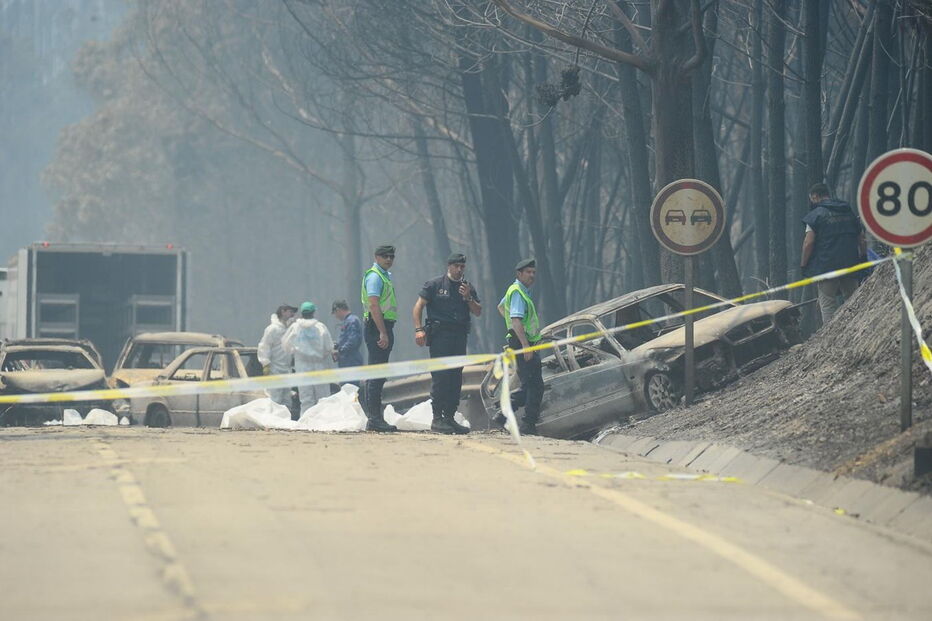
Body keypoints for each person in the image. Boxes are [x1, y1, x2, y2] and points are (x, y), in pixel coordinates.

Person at [413, 253, 482, 435]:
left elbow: (478, 311)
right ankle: (437, 418)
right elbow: (418, 306)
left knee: (455, 377)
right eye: (456, 266)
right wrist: (418, 329)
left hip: (459, 337)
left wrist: (468, 297)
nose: (459, 270)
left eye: (462, 267)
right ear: (449, 266)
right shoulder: (435, 285)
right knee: (441, 376)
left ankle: (450, 417)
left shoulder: (467, 287)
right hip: (439, 336)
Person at [800, 183, 866, 324]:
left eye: (811, 199)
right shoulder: (848, 211)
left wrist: (804, 264)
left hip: (826, 266)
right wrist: (863, 256)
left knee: (828, 303)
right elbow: (861, 238)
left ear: (815, 197)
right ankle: (855, 328)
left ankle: (830, 340)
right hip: (850, 263)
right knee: (853, 300)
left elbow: (808, 243)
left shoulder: (815, 216)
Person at [497, 259, 544, 435]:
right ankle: (528, 424)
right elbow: (516, 319)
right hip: (523, 343)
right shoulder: (517, 292)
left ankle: (502, 415)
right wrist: (524, 344)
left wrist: (511, 326)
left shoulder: (517, 290)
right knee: (535, 386)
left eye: (533, 272)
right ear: (519, 274)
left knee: (529, 384)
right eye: (528, 272)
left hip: (520, 341)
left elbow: (501, 307)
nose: (532, 275)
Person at [361, 244, 398, 432]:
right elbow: (374, 305)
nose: (389, 259)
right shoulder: (375, 277)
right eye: (385, 256)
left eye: (391, 256)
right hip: (377, 327)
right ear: (376, 257)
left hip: (382, 326)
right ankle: (374, 418)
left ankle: (376, 417)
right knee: (376, 374)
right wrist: (383, 332)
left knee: (379, 373)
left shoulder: (384, 276)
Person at [281, 301, 334, 415]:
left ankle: (306, 422)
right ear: (314, 312)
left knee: (306, 397)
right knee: (323, 397)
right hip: (319, 365)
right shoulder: (320, 327)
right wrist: (321, 355)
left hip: (302, 366)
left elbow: (285, 344)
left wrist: (295, 352)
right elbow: (329, 347)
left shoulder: (295, 327)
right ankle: (323, 421)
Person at [256, 304, 296, 407]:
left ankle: (285, 422)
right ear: (283, 311)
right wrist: (265, 363)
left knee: (287, 400)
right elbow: (264, 346)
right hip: (275, 370)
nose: (292, 314)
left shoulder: (288, 329)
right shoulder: (272, 329)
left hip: (286, 370)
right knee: (275, 400)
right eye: (290, 312)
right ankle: (273, 422)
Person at [331, 299, 363, 386]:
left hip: (351, 361)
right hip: (346, 361)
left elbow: (353, 341)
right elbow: (347, 340)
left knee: (351, 389)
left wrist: (340, 351)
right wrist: (337, 345)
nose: (336, 317)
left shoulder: (352, 321)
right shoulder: (348, 321)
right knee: (347, 388)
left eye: (335, 314)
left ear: (338, 310)